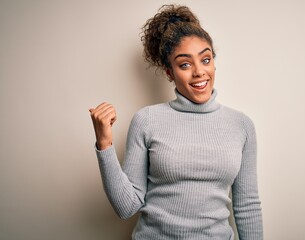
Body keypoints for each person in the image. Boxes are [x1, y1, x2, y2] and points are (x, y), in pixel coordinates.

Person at [89, 4, 263, 240]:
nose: (199, 72)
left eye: (206, 59)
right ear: (169, 72)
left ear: (214, 62)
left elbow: (247, 206)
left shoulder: (242, 126)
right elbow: (126, 207)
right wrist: (105, 144)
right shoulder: (146, 120)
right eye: (185, 64)